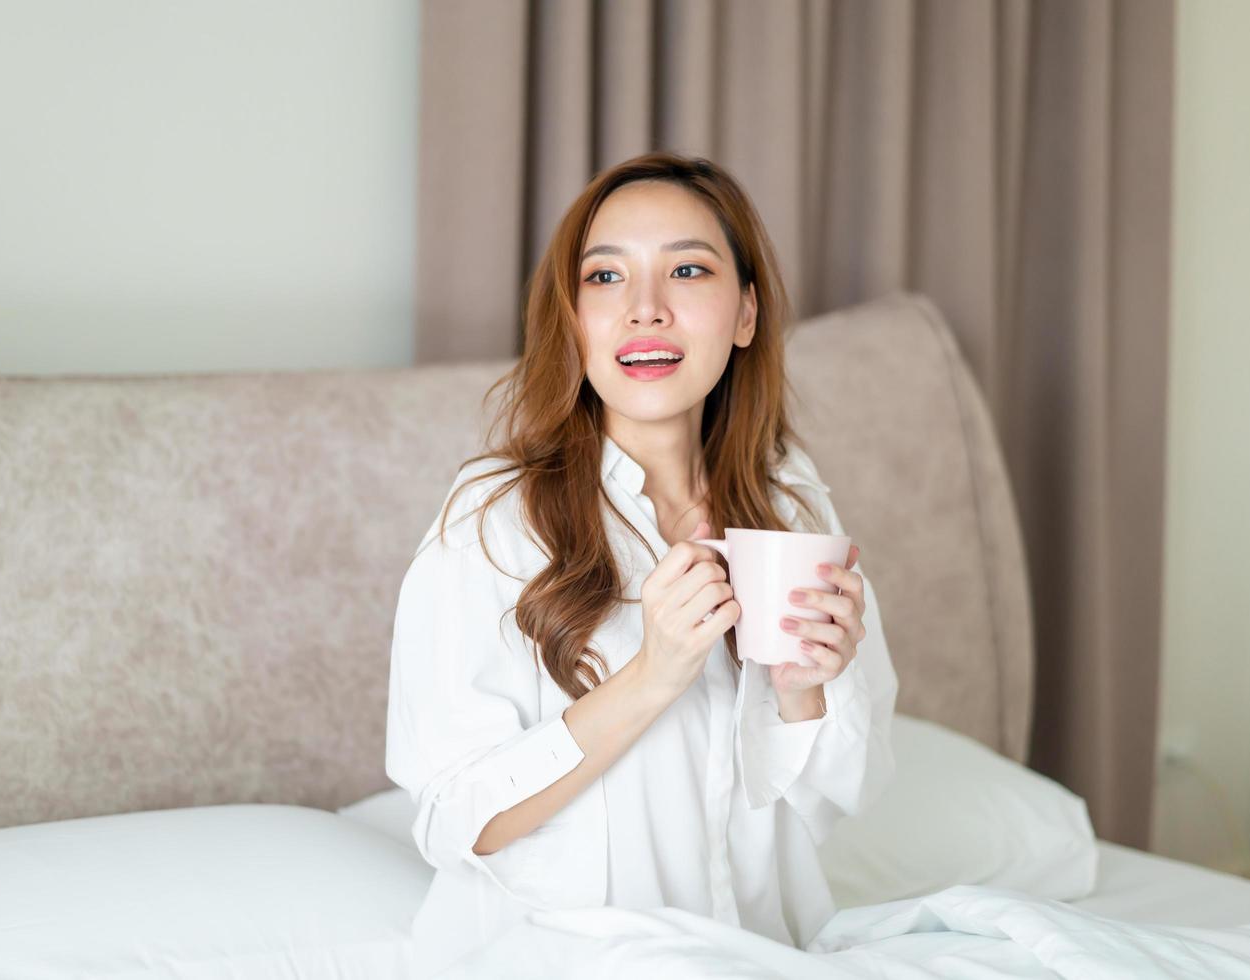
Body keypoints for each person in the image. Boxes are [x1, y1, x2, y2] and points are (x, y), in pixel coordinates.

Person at [384, 152, 899, 978]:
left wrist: (806, 694)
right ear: (574, 319)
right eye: (605, 278)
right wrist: (652, 677)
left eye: (688, 270)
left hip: (766, 953)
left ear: (744, 313)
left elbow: (840, 799)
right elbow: (454, 822)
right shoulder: (493, 518)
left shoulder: (793, 506)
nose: (645, 311)